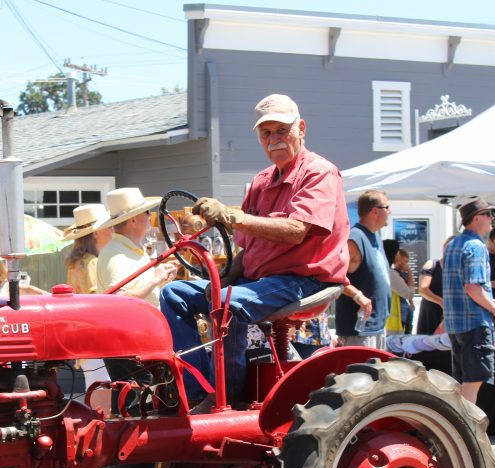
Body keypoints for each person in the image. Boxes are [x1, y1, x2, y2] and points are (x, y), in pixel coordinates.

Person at [160, 94, 349, 411]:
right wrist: (218, 279)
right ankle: (192, 389)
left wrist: (233, 216)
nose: (274, 139)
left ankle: (225, 396)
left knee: (228, 301)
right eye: (266, 133)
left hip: (306, 278)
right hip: (260, 279)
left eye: (281, 131)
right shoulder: (261, 182)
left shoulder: (319, 172)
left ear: (300, 128)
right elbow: (246, 249)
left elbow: (296, 231)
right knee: (174, 293)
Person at [63, 204, 113, 468]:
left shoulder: (75, 263)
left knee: (95, 405)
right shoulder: (93, 263)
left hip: (85, 344)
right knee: (105, 410)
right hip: (98, 341)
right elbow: (100, 302)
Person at [443, 197, 495, 404]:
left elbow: (466, 287)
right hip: (474, 323)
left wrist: (491, 302)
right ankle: (468, 432)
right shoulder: (476, 246)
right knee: (473, 383)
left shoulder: (453, 244)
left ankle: (460, 431)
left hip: (456, 325)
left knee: (463, 383)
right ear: (476, 218)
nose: (492, 219)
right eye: (488, 214)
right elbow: (472, 288)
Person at [96, 188, 178, 305]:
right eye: (146, 211)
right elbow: (117, 298)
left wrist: (161, 279)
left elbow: (139, 290)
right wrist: (155, 279)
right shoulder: (116, 253)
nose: (150, 215)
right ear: (133, 220)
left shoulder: (129, 248)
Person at [333, 190, 392, 349]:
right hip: (358, 330)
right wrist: (358, 295)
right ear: (375, 210)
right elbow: (333, 275)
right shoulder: (354, 238)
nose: (390, 212)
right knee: (361, 373)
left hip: (376, 326)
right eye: (387, 207)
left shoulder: (374, 236)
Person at [63, 204, 112, 294]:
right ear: (96, 233)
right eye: (109, 227)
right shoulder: (92, 262)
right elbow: (98, 297)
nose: (112, 230)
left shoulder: (75, 263)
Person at [416, 238, 453, 335]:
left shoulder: (459, 269)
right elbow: (423, 289)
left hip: (450, 315)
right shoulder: (432, 264)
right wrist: (441, 302)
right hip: (431, 312)